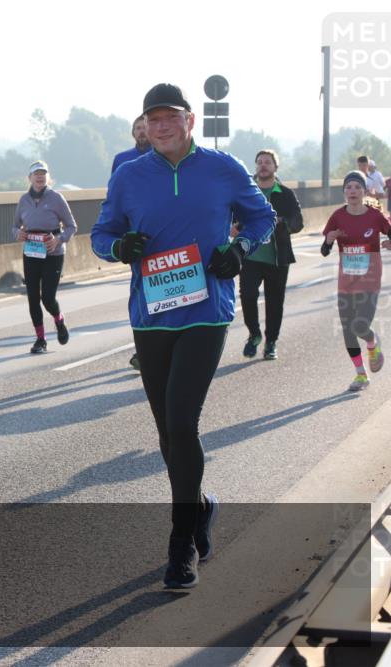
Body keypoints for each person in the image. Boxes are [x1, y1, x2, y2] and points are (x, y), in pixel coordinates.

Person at [91, 83, 275, 589]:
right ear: (145, 126)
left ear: (190, 121)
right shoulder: (128, 175)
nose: (162, 126)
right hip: (150, 314)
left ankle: (181, 546)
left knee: (182, 422)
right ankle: (201, 509)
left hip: (206, 310)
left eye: (170, 117)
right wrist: (120, 247)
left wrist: (238, 249)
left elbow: (263, 216)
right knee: (166, 433)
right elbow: (101, 235)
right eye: (153, 119)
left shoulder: (223, 168)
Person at [320, 171, 391, 391]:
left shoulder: (374, 216)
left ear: (364, 191)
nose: (352, 191)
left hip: (369, 278)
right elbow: (324, 250)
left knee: (360, 325)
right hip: (346, 280)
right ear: (344, 192)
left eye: (357, 187)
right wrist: (329, 241)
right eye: (348, 187)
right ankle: (361, 375)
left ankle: (372, 342)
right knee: (348, 330)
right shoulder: (337, 217)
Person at [236, 149, 304, 360]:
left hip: (277, 257)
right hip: (250, 256)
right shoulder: (247, 193)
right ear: (255, 167)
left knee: (275, 302)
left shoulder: (285, 194)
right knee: (247, 295)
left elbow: (298, 223)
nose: (263, 165)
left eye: (268, 162)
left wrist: (282, 223)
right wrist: (233, 227)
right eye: (259, 162)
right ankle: (254, 334)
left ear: (276, 167)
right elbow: (231, 216)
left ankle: (271, 342)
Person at [14, 160, 77, 354]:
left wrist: (58, 240)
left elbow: (71, 226)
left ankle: (59, 320)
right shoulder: (23, 200)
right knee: (33, 297)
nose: (39, 177)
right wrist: (18, 234)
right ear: (30, 178)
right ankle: (40, 340)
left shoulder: (56, 198)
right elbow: (15, 226)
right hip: (31, 252)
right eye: (36, 174)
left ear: (48, 177)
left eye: (43, 173)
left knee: (47, 298)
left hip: (52, 253)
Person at [112, 116, 152, 371]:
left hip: (159, 232)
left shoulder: (162, 156)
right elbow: (113, 197)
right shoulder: (122, 160)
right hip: (133, 237)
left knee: (159, 286)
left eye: (144, 128)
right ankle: (144, 346)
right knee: (142, 289)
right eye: (137, 128)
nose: (141, 132)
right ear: (133, 132)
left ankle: (150, 346)